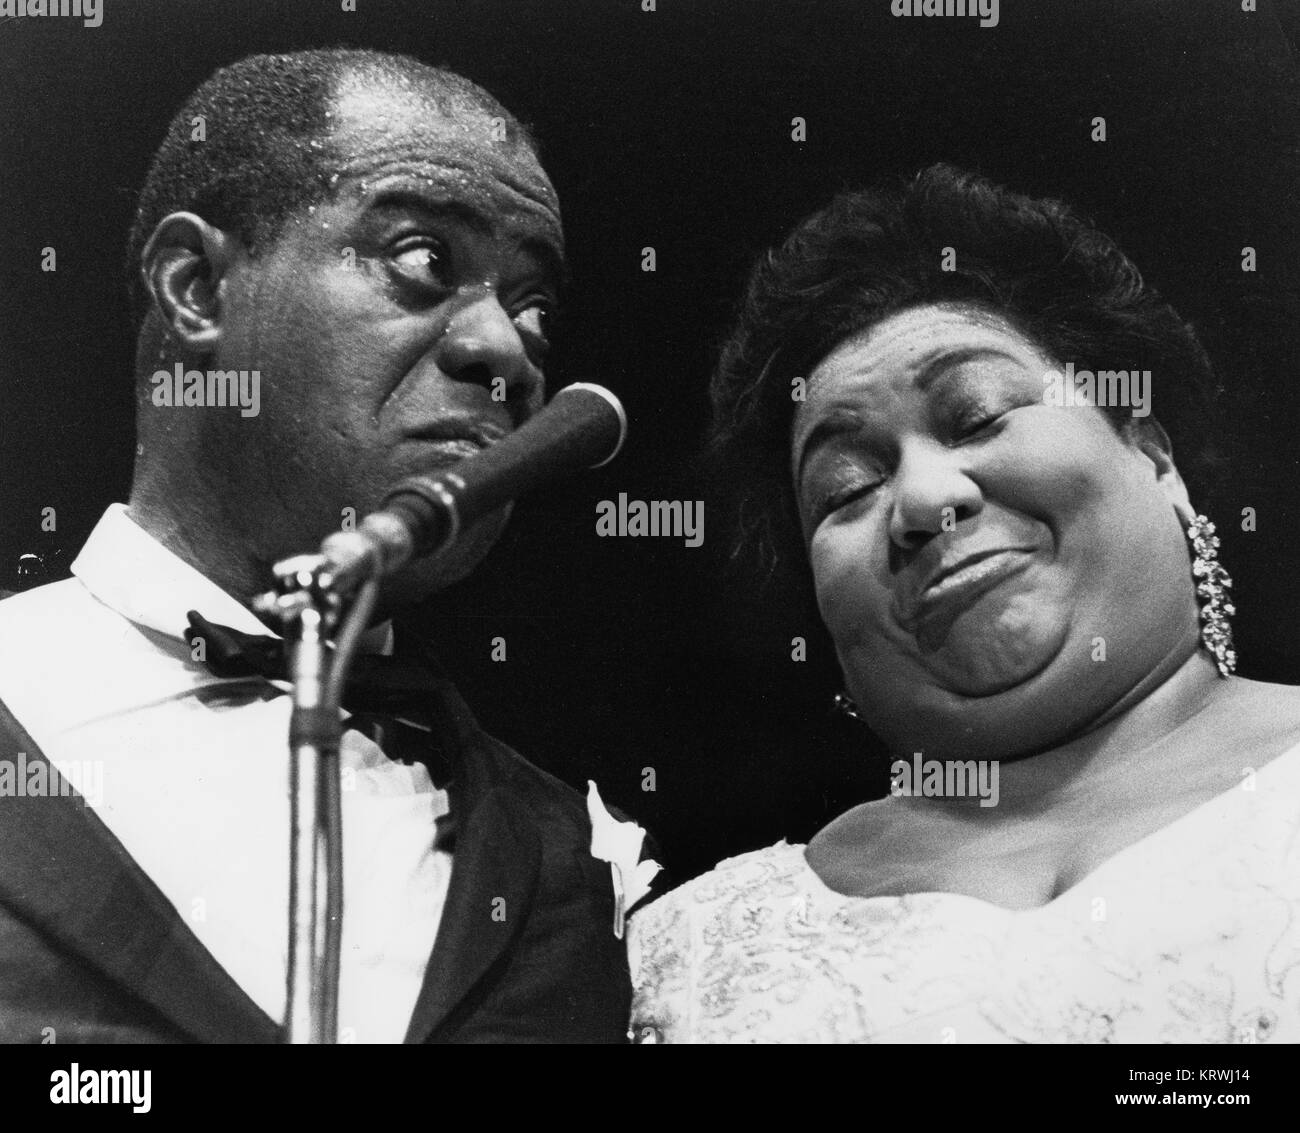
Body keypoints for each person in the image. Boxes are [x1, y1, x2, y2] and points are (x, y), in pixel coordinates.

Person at [0, 48, 657, 1044]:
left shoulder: (568, 848)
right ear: (196, 289)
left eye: (534, 311)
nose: (510, 353)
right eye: (423, 258)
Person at [628, 164, 1300, 1044]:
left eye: (979, 416)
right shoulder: (690, 945)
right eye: (846, 487)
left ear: (1153, 456)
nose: (920, 501)